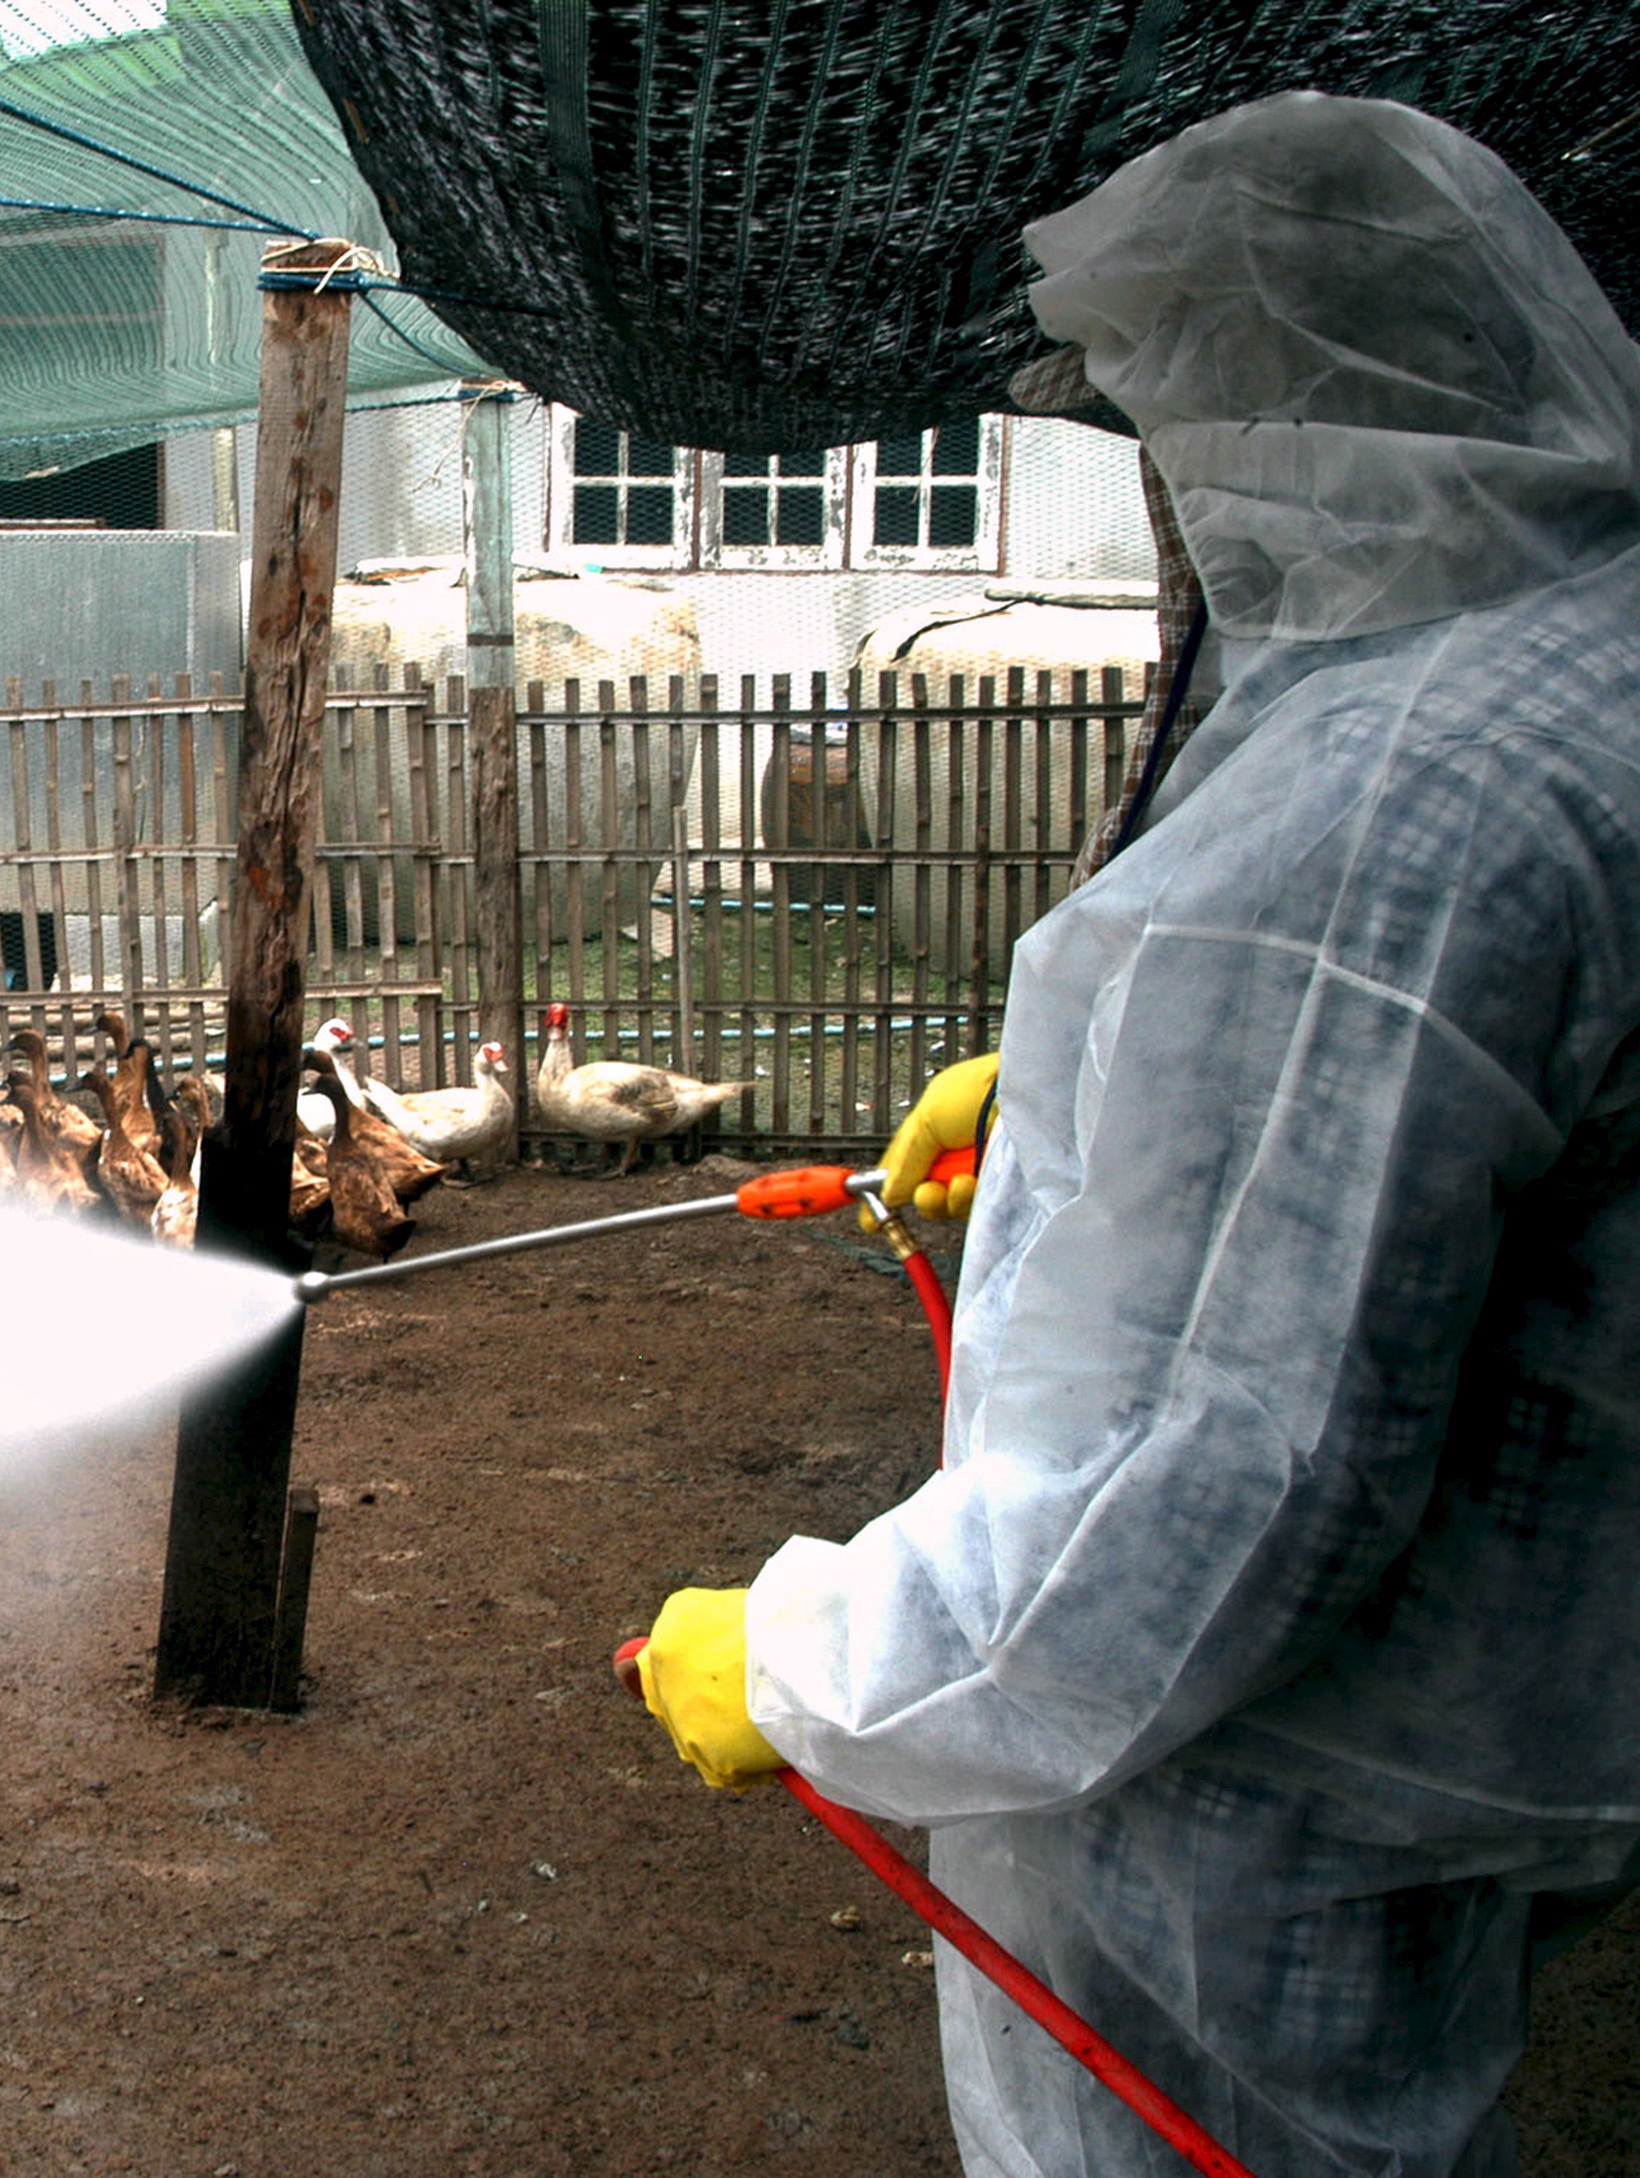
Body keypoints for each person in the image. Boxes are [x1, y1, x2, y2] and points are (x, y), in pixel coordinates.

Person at [626, 93, 1640, 2178]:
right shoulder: (1569, 659)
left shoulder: (1396, 805)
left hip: (1267, 1786)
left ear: (1277, 384)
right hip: (1515, 1679)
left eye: (1160, 391)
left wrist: (812, 1658)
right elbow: (1458, 1146)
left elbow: (1228, 1474)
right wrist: (1104, 1100)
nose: (1163, 453)